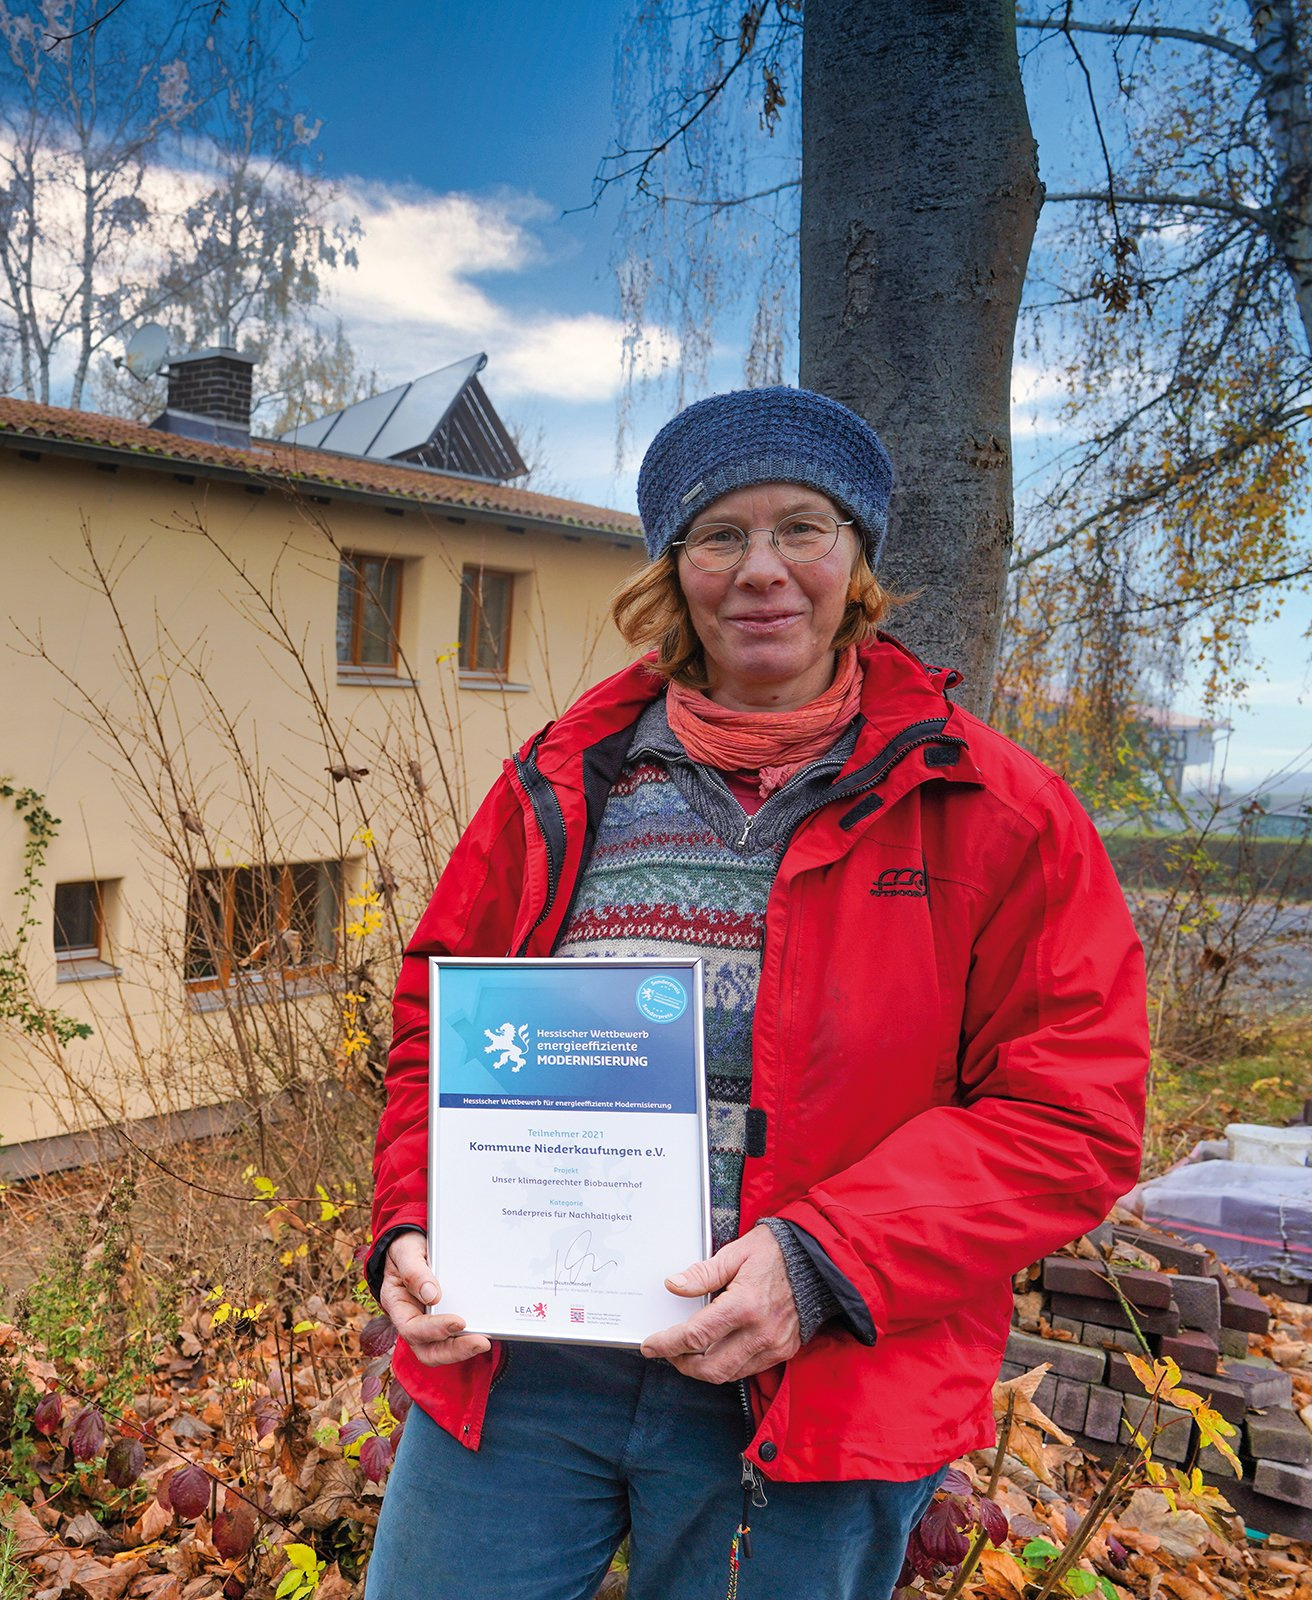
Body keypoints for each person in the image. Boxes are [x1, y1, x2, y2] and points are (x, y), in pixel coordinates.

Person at [361, 387, 1149, 1600]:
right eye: (720, 534)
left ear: (856, 559)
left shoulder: (996, 814)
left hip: (808, 1389)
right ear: (675, 571)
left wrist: (821, 1261)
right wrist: (415, 1220)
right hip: (525, 1370)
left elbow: (1071, 1115)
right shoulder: (565, 781)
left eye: (801, 528)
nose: (761, 569)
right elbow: (438, 1025)